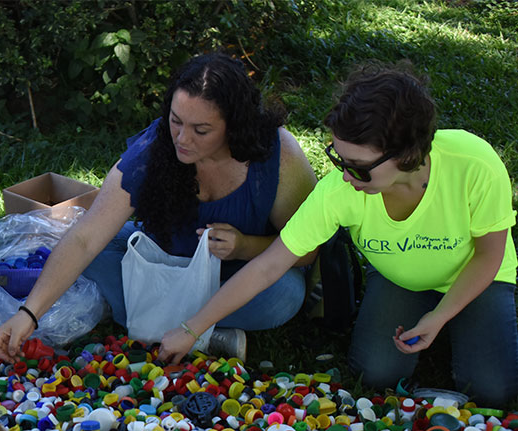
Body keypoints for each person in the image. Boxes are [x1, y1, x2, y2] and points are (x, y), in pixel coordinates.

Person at [158, 63, 517, 407]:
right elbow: (269, 265)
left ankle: (461, 324)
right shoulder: (340, 190)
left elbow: (489, 255)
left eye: (359, 168)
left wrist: (440, 315)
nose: (346, 176)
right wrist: (193, 329)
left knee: (492, 389)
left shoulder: (475, 164)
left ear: (407, 154)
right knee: (375, 373)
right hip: (398, 278)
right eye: (337, 159)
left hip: (479, 275)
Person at [0, 52, 318, 363]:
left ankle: (168, 323)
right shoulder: (156, 146)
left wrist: (245, 246)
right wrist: (29, 314)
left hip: (239, 275)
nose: (182, 138)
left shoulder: (279, 155)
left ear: (234, 125)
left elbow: (306, 252)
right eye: (175, 121)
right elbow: (86, 238)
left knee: (284, 294)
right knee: (91, 250)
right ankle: (207, 334)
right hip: (165, 262)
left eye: (200, 130)